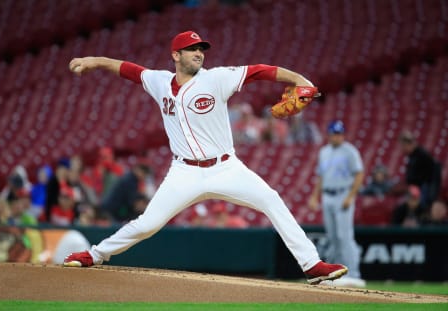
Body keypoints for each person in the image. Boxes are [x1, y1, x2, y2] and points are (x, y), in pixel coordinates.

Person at [63, 30, 348, 285]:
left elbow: (260, 71)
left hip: (225, 167)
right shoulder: (159, 81)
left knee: (271, 199)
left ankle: (312, 265)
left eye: (201, 49)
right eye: (192, 49)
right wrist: (96, 60)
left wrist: (299, 79)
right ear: (176, 55)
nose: (199, 53)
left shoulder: (217, 78)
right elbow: (129, 70)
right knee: (147, 224)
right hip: (184, 172)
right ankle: (94, 254)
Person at [308, 120, 366, 288]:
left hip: (343, 194)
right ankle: (336, 272)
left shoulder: (350, 151)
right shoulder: (324, 152)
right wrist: (314, 196)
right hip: (327, 195)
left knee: (344, 236)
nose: (337, 137)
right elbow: (321, 177)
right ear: (329, 134)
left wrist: (351, 196)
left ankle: (354, 273)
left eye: (339, 134)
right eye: (334, 133)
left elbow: (359, 174)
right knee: (333, 237)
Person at [399, 130, 442, 209]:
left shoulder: (422, 154)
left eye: (404, 145)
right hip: (416, 187)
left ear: (409, 144)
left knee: (423, 206)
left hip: (424, 187)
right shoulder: (412, 156)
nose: (403, 148)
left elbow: (431, 173)